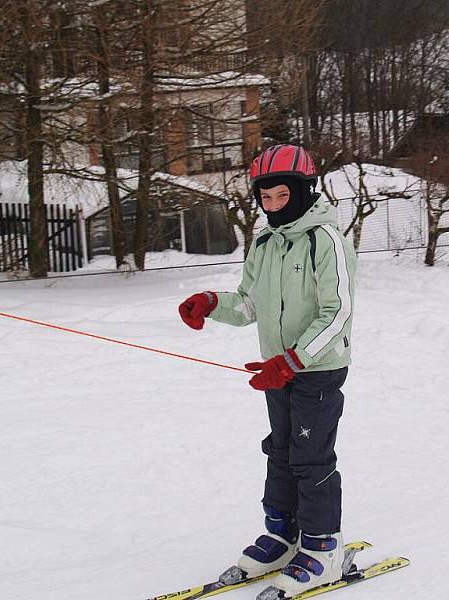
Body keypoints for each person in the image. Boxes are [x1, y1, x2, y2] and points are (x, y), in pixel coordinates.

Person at [178, 144, 357, 597]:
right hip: (276, 371)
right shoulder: (265, 243)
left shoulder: (325, 239)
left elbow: (338, 312)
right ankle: (282, 536)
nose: (274, 206)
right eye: (266, 198)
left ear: (302, 190)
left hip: (316, 370)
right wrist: (213, 304)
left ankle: (322, 548)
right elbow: (250, 303)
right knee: (279, 452)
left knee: (311, 457)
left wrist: (294, 361)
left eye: (282, 196)